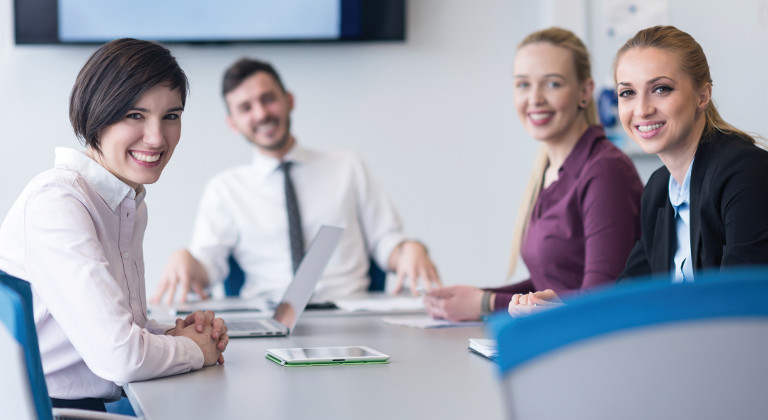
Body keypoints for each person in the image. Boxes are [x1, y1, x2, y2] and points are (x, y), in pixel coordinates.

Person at [0, 38, 229, 412]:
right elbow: (120, 356)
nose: (157, 138)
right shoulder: (58, 204)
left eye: (171, 116)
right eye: (135, 115)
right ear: (96, 114)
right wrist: (193, 350)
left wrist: (175, 334)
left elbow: (122, 327)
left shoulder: (127, 203)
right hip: (53, 411)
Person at [509, 25, 768, 315]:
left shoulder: (745, 174)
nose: (642, 109)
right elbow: (623, 300)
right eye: (628, 93)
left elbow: (742, 308)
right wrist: (558, 311)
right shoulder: (659, 189)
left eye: (661, 89)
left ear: (702, 95)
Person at [151, 58, 440, 305]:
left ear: (289, 101)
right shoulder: (226, 190)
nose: (261, 113)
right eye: (246, 108)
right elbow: (208, 266)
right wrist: (185, 259)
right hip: (267, 318)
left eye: (268, 99)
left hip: (348, 315)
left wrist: (410, 249)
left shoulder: (348, 167)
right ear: (233, 123)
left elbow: (386, 242)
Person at [424, 27, 643, 322]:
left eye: (552, 84)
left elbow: (598, 300)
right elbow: (551, 284)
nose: (534, 98)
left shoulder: (605, 171)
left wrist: (487, 303)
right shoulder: (550, 170)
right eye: (523, 84)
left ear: (584, 92)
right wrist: (476, 296)